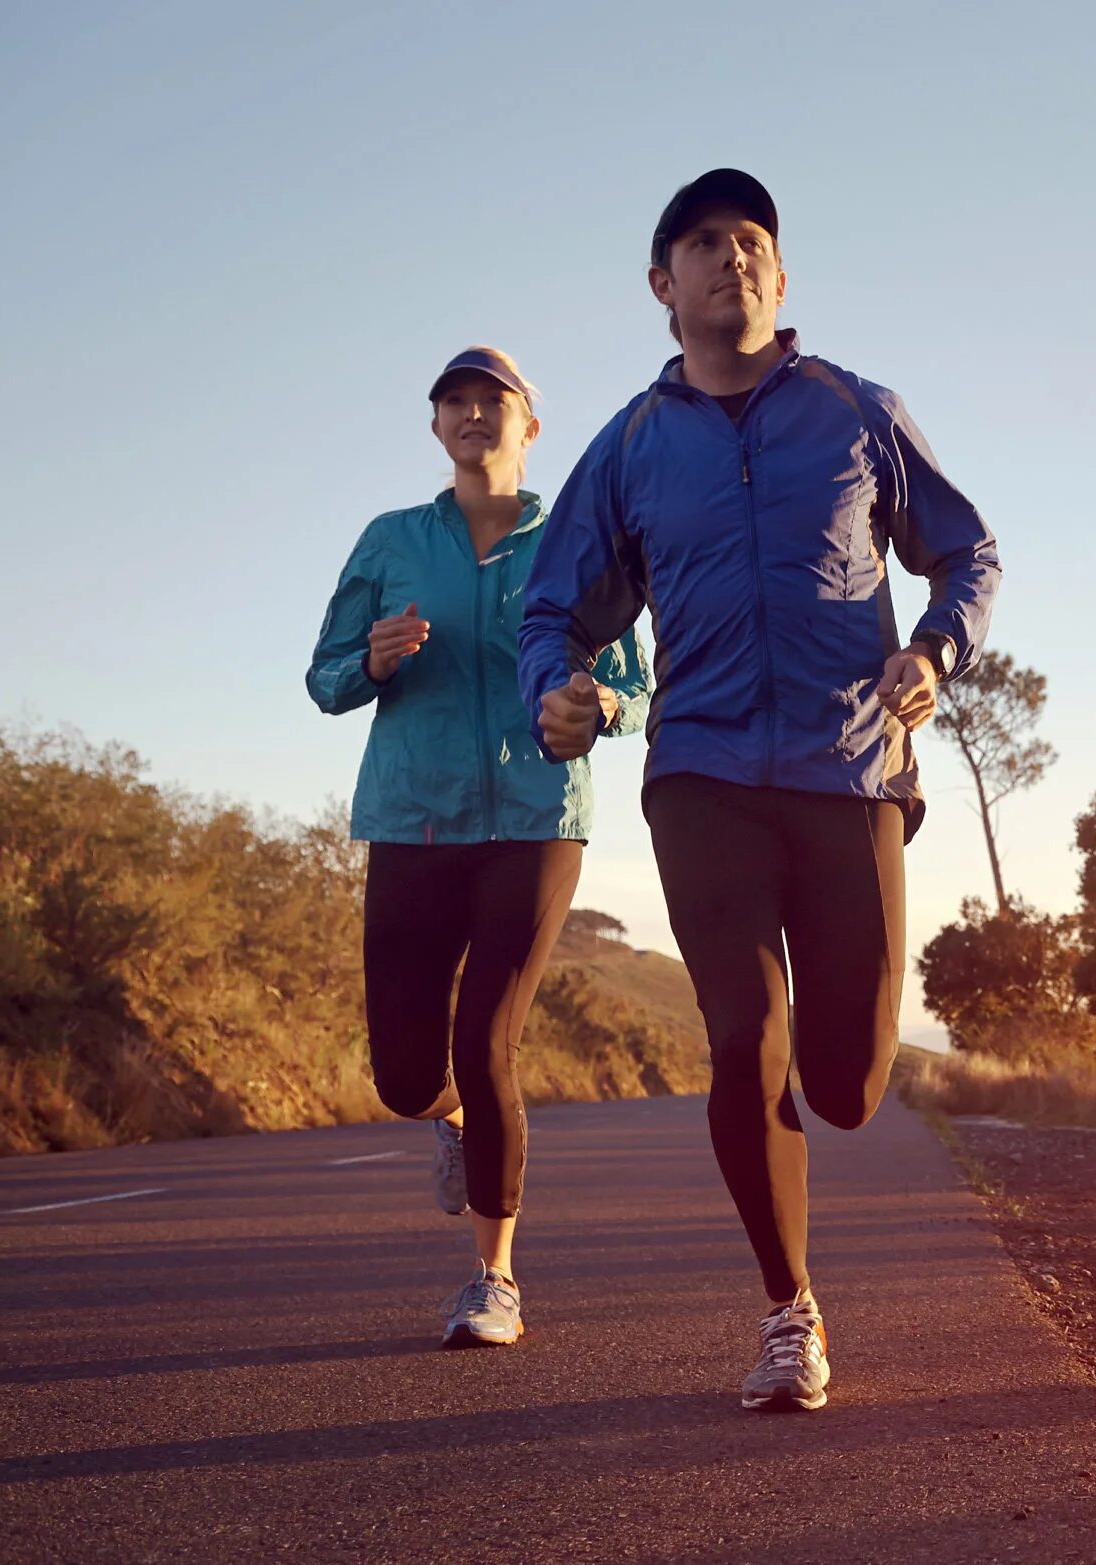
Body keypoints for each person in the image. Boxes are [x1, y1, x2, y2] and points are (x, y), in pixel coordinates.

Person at [518, 169, 1000, 1412]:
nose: (728, 257)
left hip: (850, 773)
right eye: (700, 243)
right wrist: (553, 689)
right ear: (659, 285)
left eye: (750, 242)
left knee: (843, 1085)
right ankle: (790, 1309)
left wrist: (934, 648)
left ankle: (815, 1105)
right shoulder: (629, 445)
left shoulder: (856, 410)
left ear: (779, 278)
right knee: (744, 1034)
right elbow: (556, 606)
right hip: (704, 774)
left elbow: (967, 549)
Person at [307, 347, 652, 1349]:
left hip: (537, 820)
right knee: (405, 1074)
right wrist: (367, 661)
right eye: (454, 400)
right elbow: (325, 677)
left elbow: (633, 679)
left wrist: (599, 705)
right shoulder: (390, 541)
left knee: (487, 1035)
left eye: (491, 400)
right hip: (411, 814)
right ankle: (447, 1119)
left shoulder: (577, 541)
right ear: (436, 426)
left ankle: (493, 1278)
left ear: (527, 426)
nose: (472, 413)